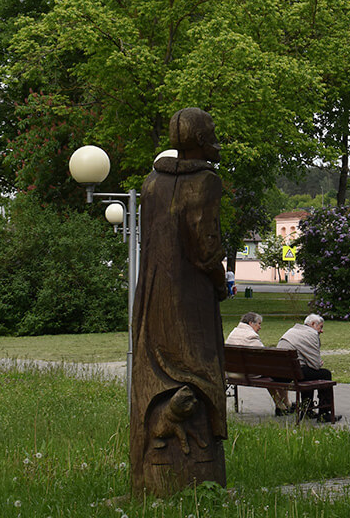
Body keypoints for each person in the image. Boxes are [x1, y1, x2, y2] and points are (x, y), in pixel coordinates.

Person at [130, 107, 227, 495]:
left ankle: (150, 480)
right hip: (190, 300)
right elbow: (205, 247)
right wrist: (220, 282)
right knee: (199, 368)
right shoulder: (205, 182)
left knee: (157, 368)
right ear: (203, 139)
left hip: (153, 296)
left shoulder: (152, 183)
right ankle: (196, 481)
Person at [225, 312, 292, 416]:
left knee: (268, 372)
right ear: (251, 323)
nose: (260, 327)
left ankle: (281, 404)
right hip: (247, 373)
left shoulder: (233, 332)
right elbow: (263, 357)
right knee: (278, 371)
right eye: (259, 324)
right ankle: (285, 403)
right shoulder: (251, 336)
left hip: (232, 372)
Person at [277, 314, 340, 423]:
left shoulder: (292, 330)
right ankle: (324, 413)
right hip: (294, 372)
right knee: (325, 374)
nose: (321, 331)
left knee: (306, 372)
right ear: (312, 325)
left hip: (281, 373)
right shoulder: (311, 334)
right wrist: (318, 363)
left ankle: (307, 409)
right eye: (320, 327)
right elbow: (316, 365)